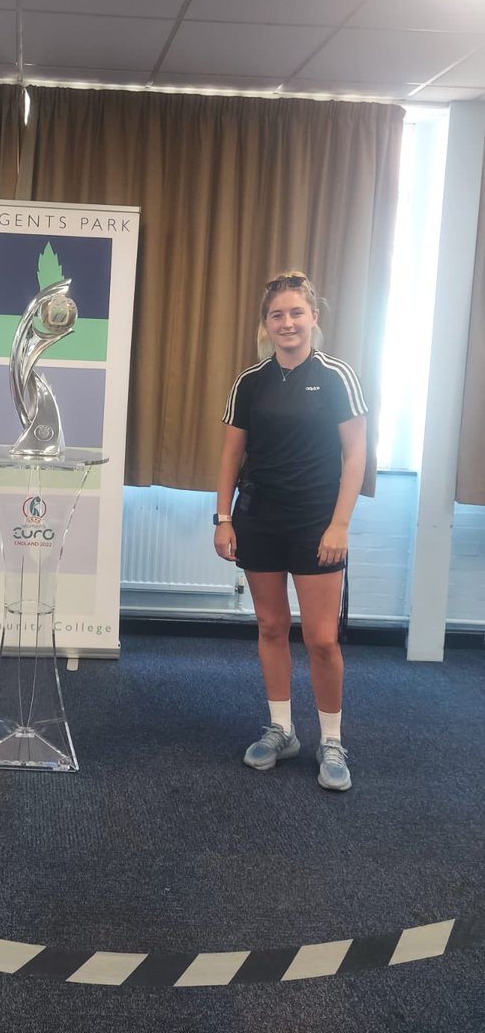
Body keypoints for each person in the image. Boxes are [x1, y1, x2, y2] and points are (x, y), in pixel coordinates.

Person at [213, 271, 367, 792]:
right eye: (277, 315)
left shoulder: (337, 375)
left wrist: (340, 523)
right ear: (266, 324)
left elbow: (355, 454)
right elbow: (232, 454)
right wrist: (224, 516)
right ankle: (282, 729)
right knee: (271, 626)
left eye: (296, 313)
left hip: (316, 522)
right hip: (259, 518)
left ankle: (330, 739)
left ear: (313, 318)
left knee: (322, 639)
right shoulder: (250, 382)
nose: (287, 323)